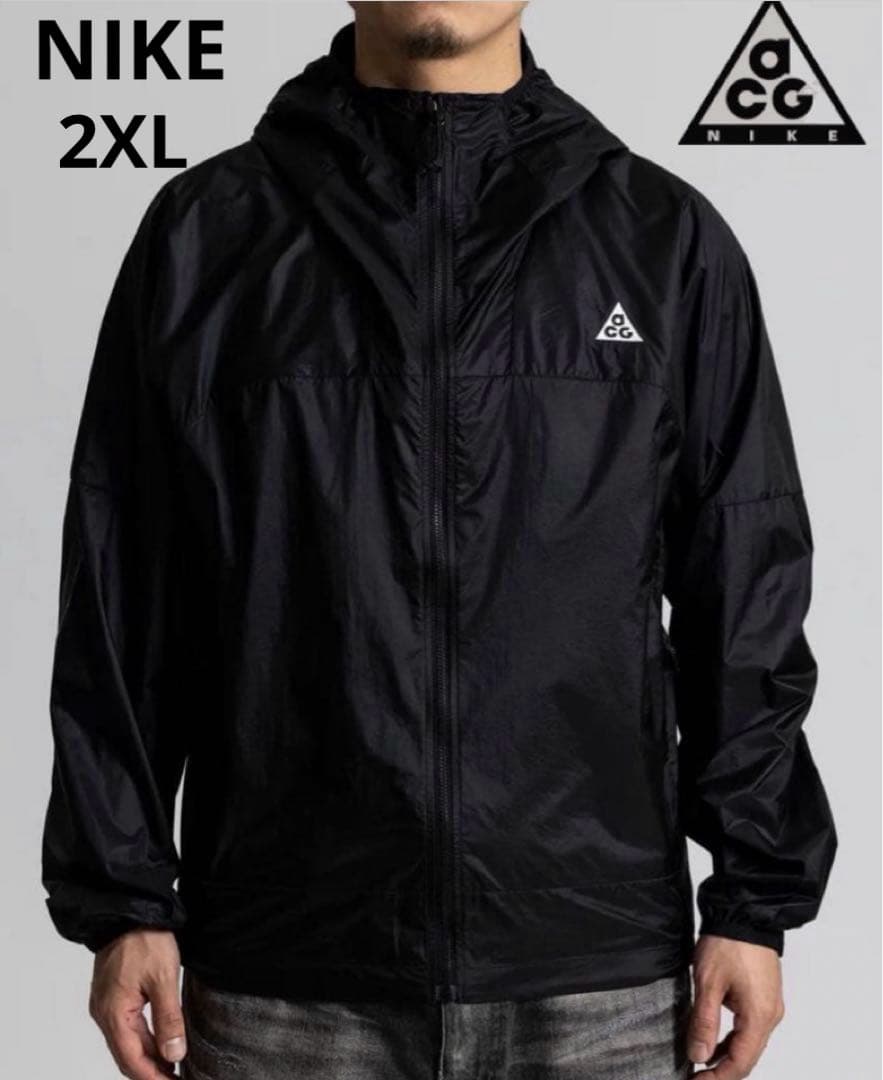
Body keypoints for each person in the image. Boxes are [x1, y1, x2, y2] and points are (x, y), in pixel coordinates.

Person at [41, 3, 837, 1078]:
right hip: (287, 977)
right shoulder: (206, 236)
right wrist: (124, 899)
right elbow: (124, 587)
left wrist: (751, 901)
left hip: (594, 979)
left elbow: (742, 585)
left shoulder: (663, 240)